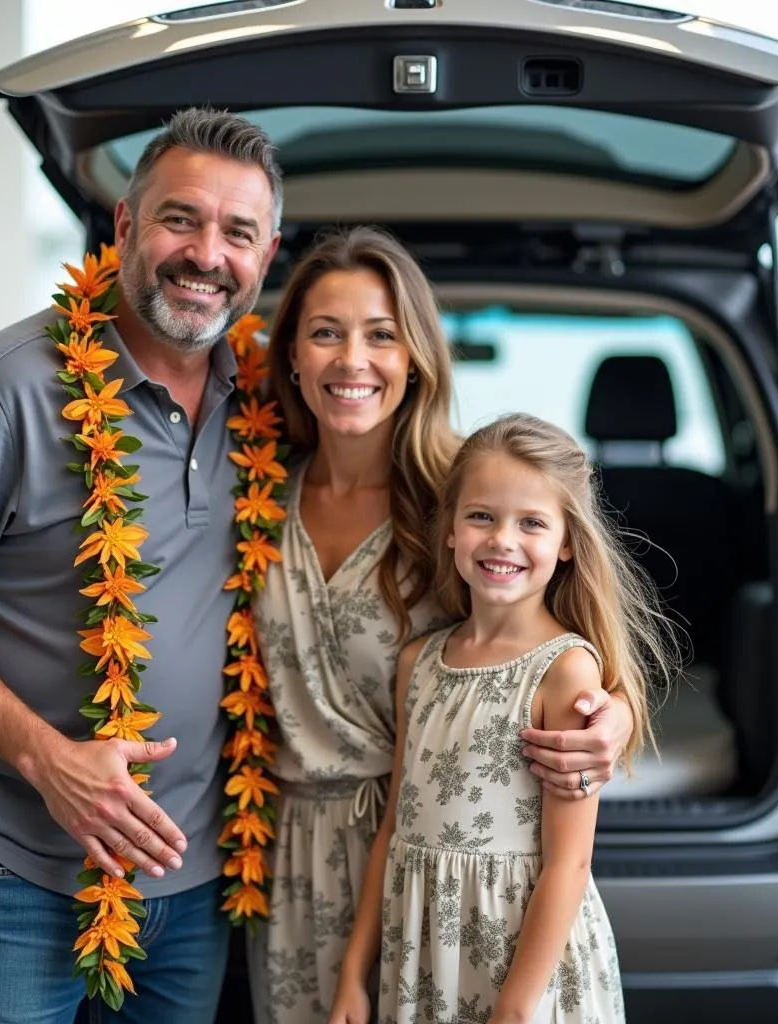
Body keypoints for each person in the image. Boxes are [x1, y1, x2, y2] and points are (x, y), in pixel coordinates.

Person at [0, 106, 284, 1023]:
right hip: (6, 869)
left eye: (238, 232)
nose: (207, 254)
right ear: (126, 226)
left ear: (267, 253)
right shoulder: (5, 390)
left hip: (192, 878)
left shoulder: (269, 400)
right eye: (181, 218)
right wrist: (49, 760)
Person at [246, 230, 637, 1024]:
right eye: (326, 332)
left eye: (382, 334)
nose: (353, 359)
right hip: (289, 848)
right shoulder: (250, 489)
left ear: (417, 355)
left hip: (446, 865)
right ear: (290, 354)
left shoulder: (463, 494)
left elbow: (558, 636)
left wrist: (616, 714)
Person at [329, 413, 678, 1024]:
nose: (502, 540)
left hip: (522, 972)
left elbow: (568, 862)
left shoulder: (564, 673)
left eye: (532, 523)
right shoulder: (419, 661)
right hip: (423, 957)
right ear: (450, 531)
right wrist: (355, 976)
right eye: (481, 516)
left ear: (567, 542)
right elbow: (393, 828)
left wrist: (515, 1008)